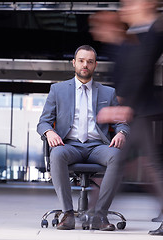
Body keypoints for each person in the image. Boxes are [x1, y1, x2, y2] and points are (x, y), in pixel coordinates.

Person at [90, 0, 163, 236]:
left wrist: (122, 104)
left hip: (137, 110)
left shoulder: (151, 30)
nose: (126, 7)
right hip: (133, 109)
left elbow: (140, 69)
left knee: (143, 164)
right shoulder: (135, 33)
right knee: (120, 162)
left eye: (131, 3)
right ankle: (96, 213)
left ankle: (97, 213)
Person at [37, 45, 129, 231]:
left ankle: (100, 215)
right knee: (57, 154)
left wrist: (121, 132)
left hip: (98, 146)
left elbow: (122, 122)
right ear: (74, 63)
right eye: (81, 60)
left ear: (95, 65)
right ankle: (68, 213)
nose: (85, 65)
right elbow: (43, 122)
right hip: (69, 145)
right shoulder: (58, 90)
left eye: (89, 61)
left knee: (117, 156)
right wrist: (49, 132)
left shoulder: (108, 93)